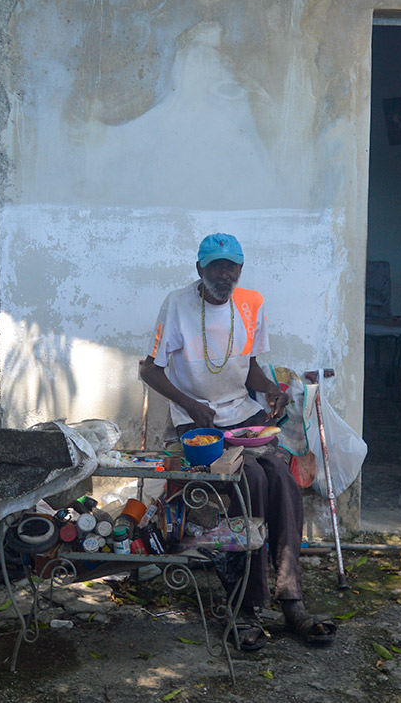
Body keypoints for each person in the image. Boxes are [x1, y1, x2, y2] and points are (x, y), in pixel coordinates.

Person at [140, 233, 336, 650]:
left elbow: (250, 370)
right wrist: (190, 405)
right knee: (250, 484)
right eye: (216, 266)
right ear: (200, 270)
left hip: (243, 416)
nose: (224, 275)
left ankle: (291, 602)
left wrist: (269, 390)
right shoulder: (176, 305)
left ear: (240, 271)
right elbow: (150, 371)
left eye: (232, 266)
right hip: (197, 423)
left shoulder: (251, 304)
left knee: (282, 478)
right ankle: (245, 609)